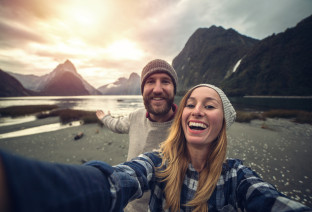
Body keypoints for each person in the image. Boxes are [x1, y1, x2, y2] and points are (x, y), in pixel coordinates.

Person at [0, 84, 310, 212]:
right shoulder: (158, 162)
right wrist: (21, 185)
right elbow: (113, 182)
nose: (197, 110)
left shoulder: (236, 176)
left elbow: (271, 201)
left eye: (209, 105)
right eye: (191, 104)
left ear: (223, 124)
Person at [96, 59, 178, 211]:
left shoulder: (187, 124)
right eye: (150, 81)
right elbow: (117, 125)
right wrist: (105, 118)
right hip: (128, 206)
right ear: (142, 90)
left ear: (174, 89)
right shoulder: (135, 116)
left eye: (165, 81)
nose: (158, 89)